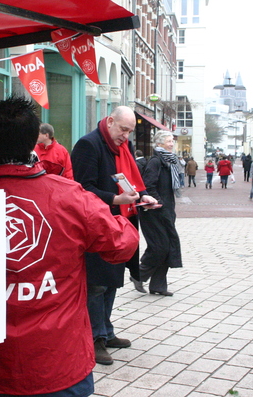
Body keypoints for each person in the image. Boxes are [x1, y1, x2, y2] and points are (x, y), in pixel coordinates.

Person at [0, 97, 139, 397]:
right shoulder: (70, 197)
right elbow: (121, 246)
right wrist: (121, 219)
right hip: (60, 363)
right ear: (34, 140)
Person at [71, 106, 157, 366]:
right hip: (97, 225)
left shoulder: (123, 147)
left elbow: (129, 182)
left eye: (130, 131)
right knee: (97, 283)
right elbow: (81, 188)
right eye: (123, 129)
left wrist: (142, 197)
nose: (126, 136)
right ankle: (93, 338)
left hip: (120, 222)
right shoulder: (88, 145)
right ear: (110, 122)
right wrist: (114, 199)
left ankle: (105, 332)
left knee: (112, 280)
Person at [134, 130, 182, 296]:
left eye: (172, 141)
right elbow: (148, 185)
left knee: (168, 247)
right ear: (160, 143)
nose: (171, 144)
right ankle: (139, 275)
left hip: (167, 211)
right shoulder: (156, 161)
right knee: (160, 247)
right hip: (155, 212)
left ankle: (158, 286)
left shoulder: (169, 162)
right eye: (169, 141)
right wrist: (159, 203)